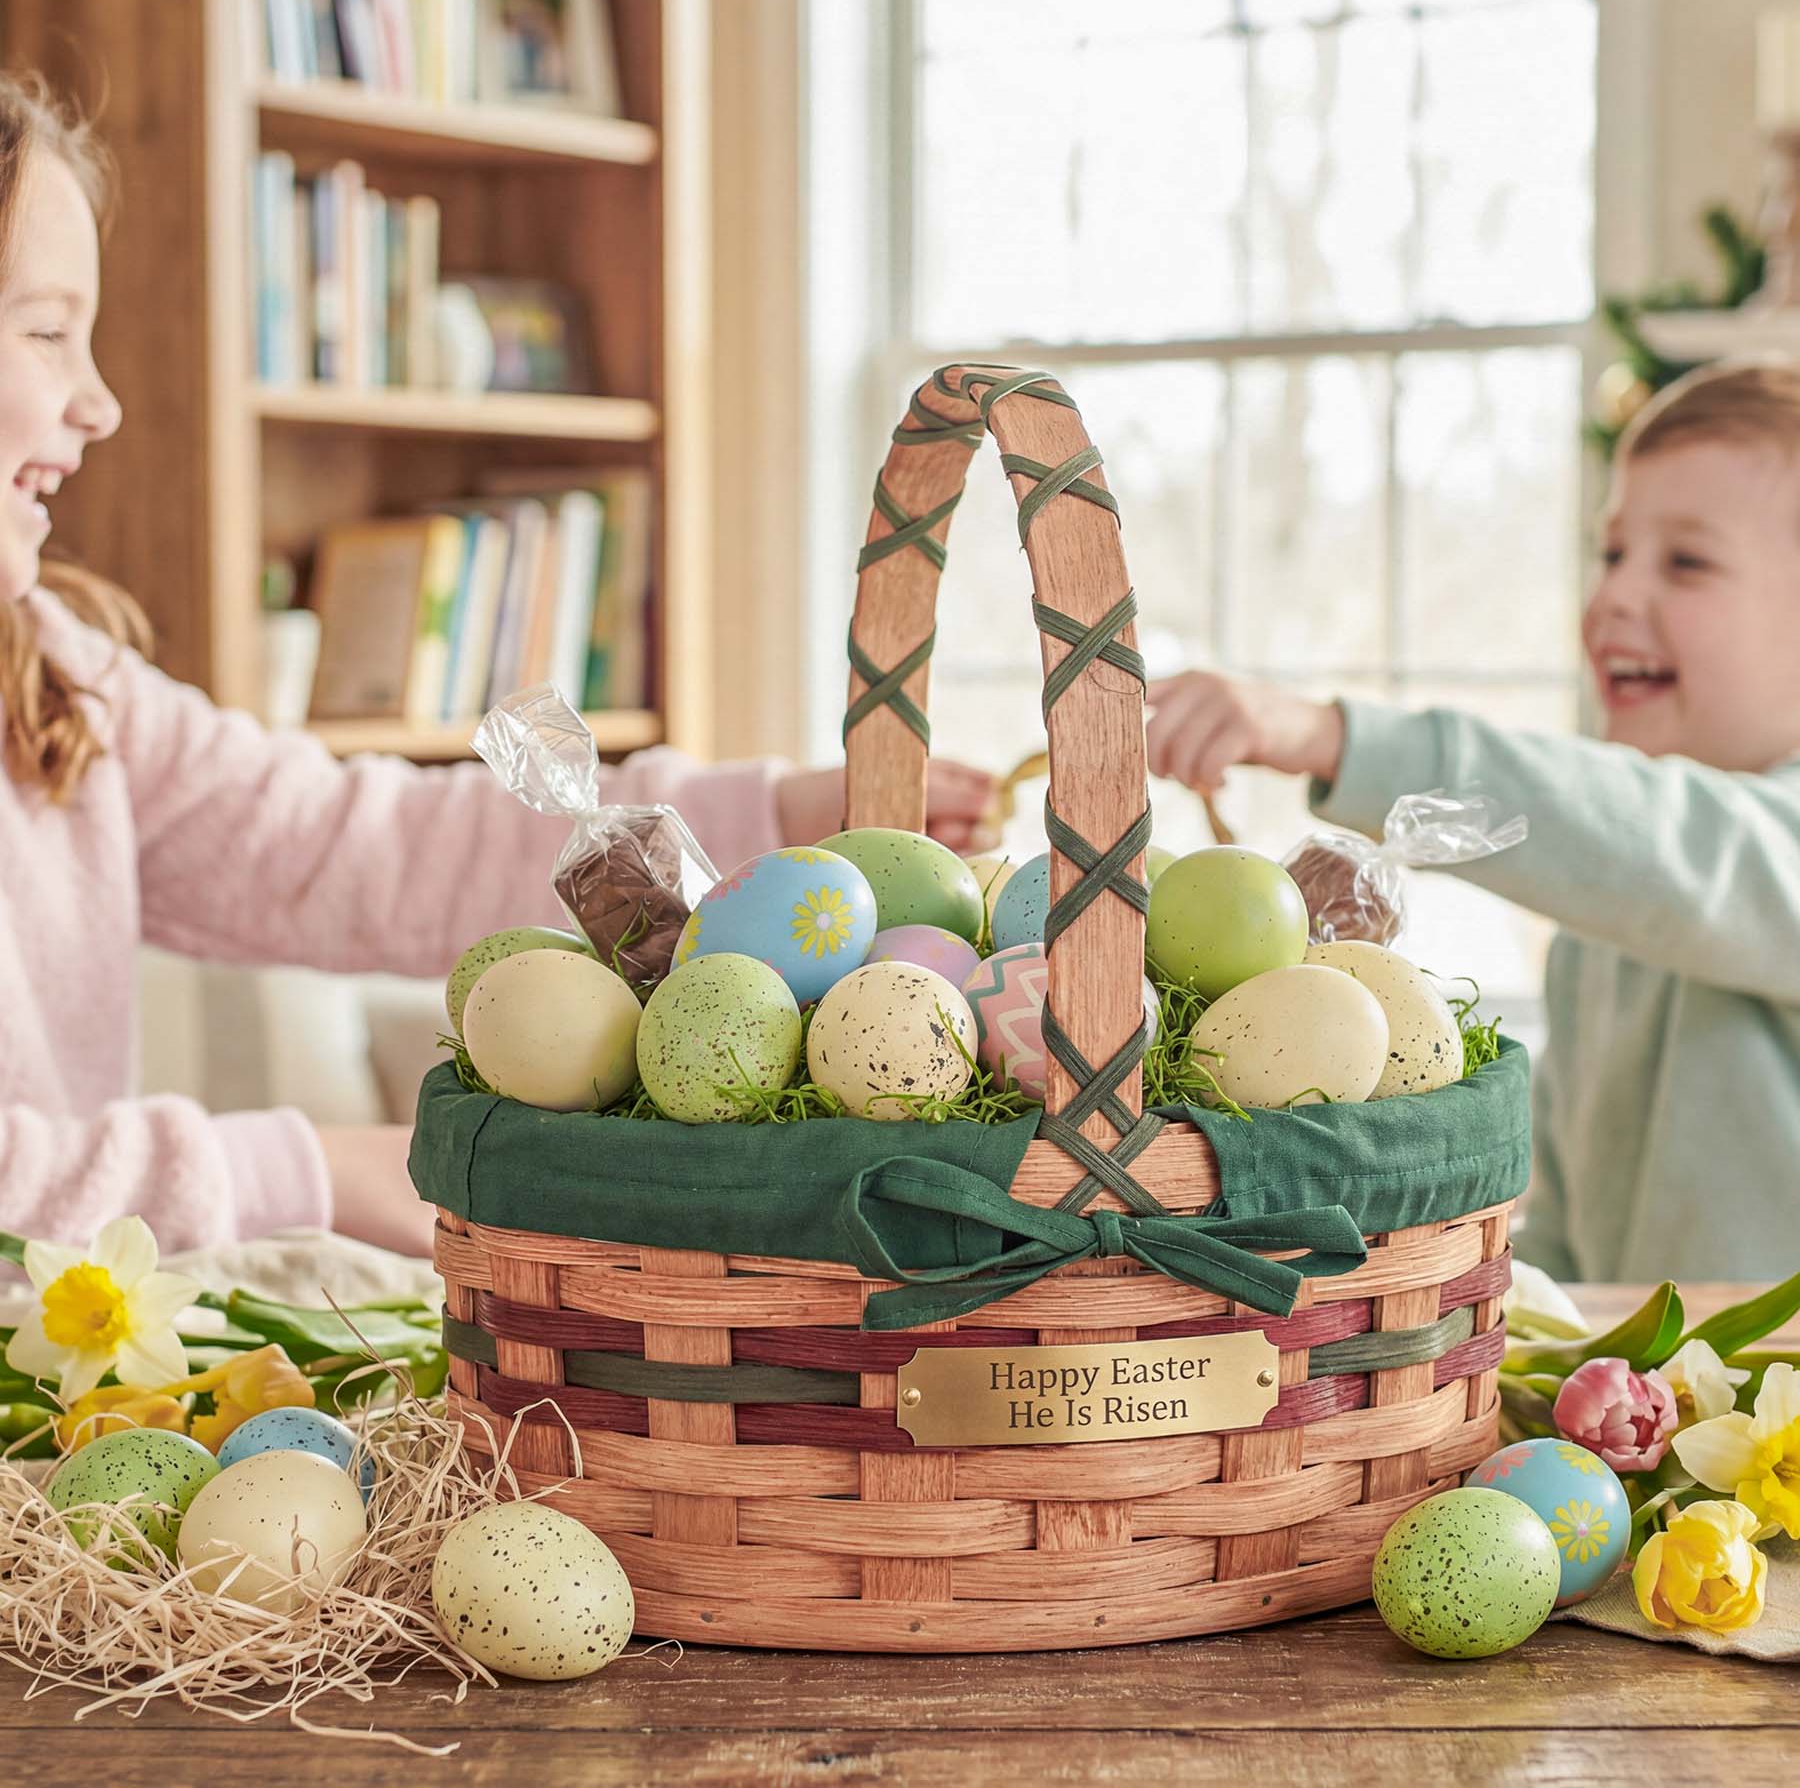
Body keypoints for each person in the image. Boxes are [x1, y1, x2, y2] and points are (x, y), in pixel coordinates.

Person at [0, 76, 989, 1259]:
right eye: (47, 331)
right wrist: (306, 1168)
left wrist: (771, 817)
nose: (100, 405)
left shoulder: (55, 680)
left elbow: (357, 851)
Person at [1145, 359, 1800, 1285]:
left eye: (1686, 562)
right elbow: (1575, 1239)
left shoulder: (1734, 861)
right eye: (1613, 554)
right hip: (1654, 1416)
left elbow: (1668, 844)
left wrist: (1331, 738)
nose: (1614, 596)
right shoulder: (1604, 926)